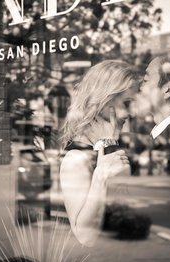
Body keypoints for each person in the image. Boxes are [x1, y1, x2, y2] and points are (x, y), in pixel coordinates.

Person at [59, 60, 139, 246]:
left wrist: (109, 143)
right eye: (127, 103)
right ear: (102, 102)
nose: (132, 113)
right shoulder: (76, 159)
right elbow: (85, 237)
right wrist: (101, 175)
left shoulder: (106, 149)